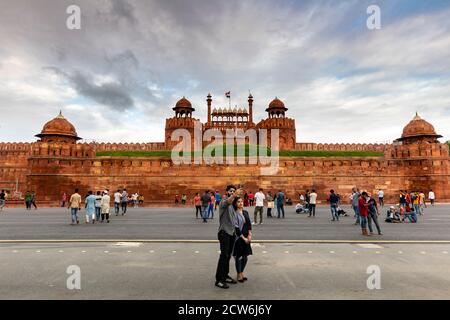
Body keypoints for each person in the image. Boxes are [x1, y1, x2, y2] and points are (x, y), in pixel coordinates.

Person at [215, 185, 240, 289]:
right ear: (226, 192)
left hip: (231, 233)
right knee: (224, 256)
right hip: (224, 232)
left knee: (228, 256)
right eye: (230, 191)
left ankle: (225, 275)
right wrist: (234, 195)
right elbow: (229, 201)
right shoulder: (223, 201)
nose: (232, 192)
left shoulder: (232, 205)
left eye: (233, 191)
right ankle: (219, 280)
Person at [232, 196, 252, 283]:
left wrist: (250, 235)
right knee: (238, 257)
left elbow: (249, 224)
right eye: (238, 202)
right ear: (235, 204)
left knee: (245, 257)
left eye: (241, 201)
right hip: (239, 238)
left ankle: (241, 272)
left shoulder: (245, 212)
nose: (241, 203)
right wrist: (244, 238)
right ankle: (239, 273)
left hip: (246, 237)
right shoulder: (234, 214)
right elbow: (236, 228)